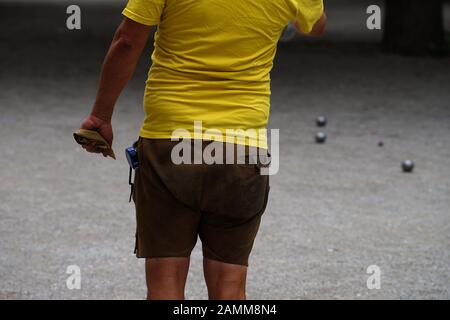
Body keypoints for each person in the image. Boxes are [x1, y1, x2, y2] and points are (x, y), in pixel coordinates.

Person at [79, 0, 326, 300]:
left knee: (164, 284)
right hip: (243, 150)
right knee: (230, 289)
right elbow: (316, 24)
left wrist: (100, 117)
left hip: (169, 144)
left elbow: (127, 41)